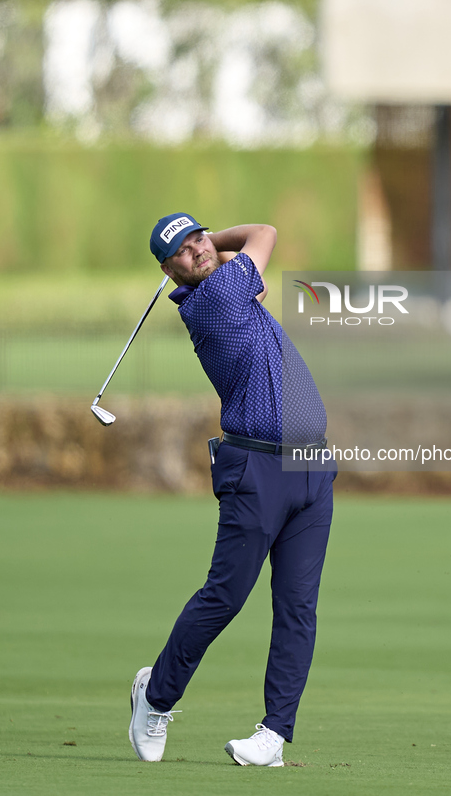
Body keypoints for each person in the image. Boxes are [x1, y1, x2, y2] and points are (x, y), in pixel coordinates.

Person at [128, 212, 336, 767]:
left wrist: (204, 247)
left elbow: (250, 252)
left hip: (312, 470)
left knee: (298, 607)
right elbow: (265, 233)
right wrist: (216, 248)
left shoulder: (231, 285)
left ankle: (273, 735)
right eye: (183, 251)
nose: (196, 250)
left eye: (197, 237)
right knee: (225, 597)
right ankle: (155, 696)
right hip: (258, 471)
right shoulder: (216, 298)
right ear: (170, 272)